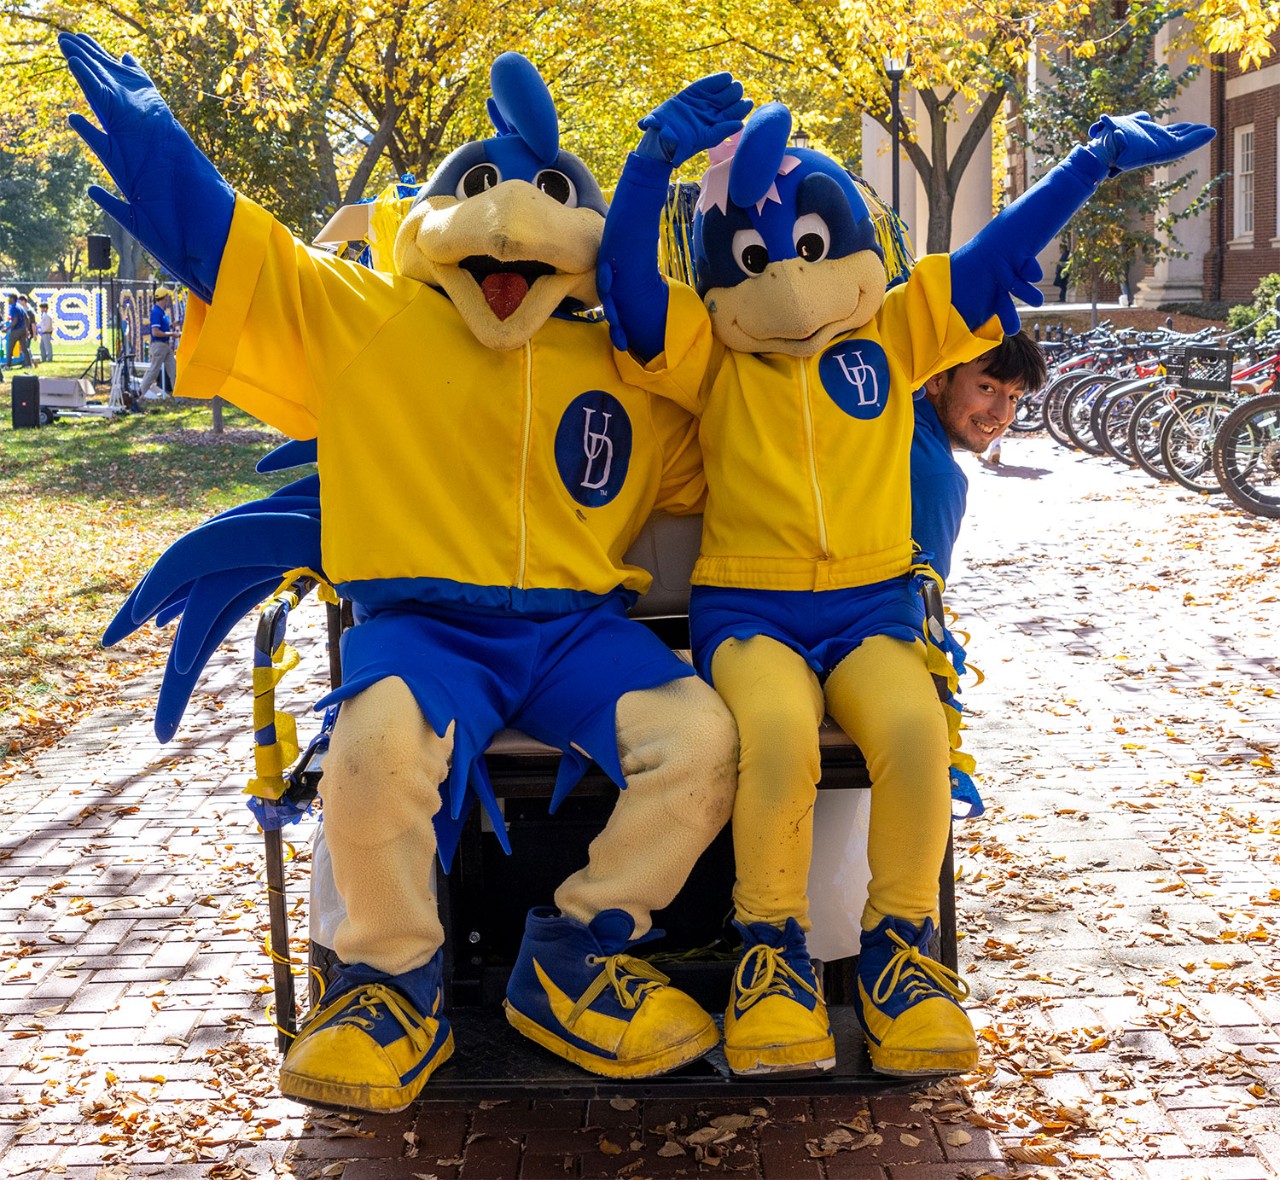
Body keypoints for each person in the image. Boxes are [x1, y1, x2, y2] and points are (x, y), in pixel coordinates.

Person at [64, 34, 742, 1113]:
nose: (512, 227)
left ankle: (574, 950)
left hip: (577, 633)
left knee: (701, 741)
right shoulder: (368, 321)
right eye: (478, 192)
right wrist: (153, 136)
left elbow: (735, 446)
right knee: (374, 747)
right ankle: (388, 984)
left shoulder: (621, 356)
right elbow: (248, 258)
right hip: (424, 627)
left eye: (548, 198)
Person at [601, 86, 1211, 1080]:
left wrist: (1089, 160)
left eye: (807, 252)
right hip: (748, 609)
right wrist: (648, 163)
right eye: (755, 264)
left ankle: (897, 953)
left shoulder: (895, 329)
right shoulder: (711, 356)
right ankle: (770, 952)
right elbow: (626, 284)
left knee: (917, 732)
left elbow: (990, 252)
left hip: (871, 606)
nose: (791, 291)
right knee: (778, 737)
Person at [911, 332, 1047, 583]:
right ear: (937, 377)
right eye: (987, 388)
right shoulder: (936, 476)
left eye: (1013, 397)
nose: (1002, 414)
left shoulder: (883, 420)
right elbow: (920, 602)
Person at [137, 287, 176, 398]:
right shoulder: (156, 312)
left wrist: (172, 325)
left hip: (166, 345)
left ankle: (179, 397)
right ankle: (140, 394)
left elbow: (162, 327)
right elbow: (155, 332)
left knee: (173, 371)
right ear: (164, 298)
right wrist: (171, 334)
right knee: (153, 372)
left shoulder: (161, 312)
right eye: (167, 297)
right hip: (159, 345)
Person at [4, 293, 30, 369]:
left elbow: (15, 321)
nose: (8, 299)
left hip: (16, 330)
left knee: (10, 348)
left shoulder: (13, 307)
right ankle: (29, 364)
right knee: (25, 348)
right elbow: (27, 318)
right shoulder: (20, 307)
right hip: (23, 330)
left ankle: (8, 365)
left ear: (12, 299)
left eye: (9, 298)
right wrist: (27, 329)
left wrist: (7, 328)